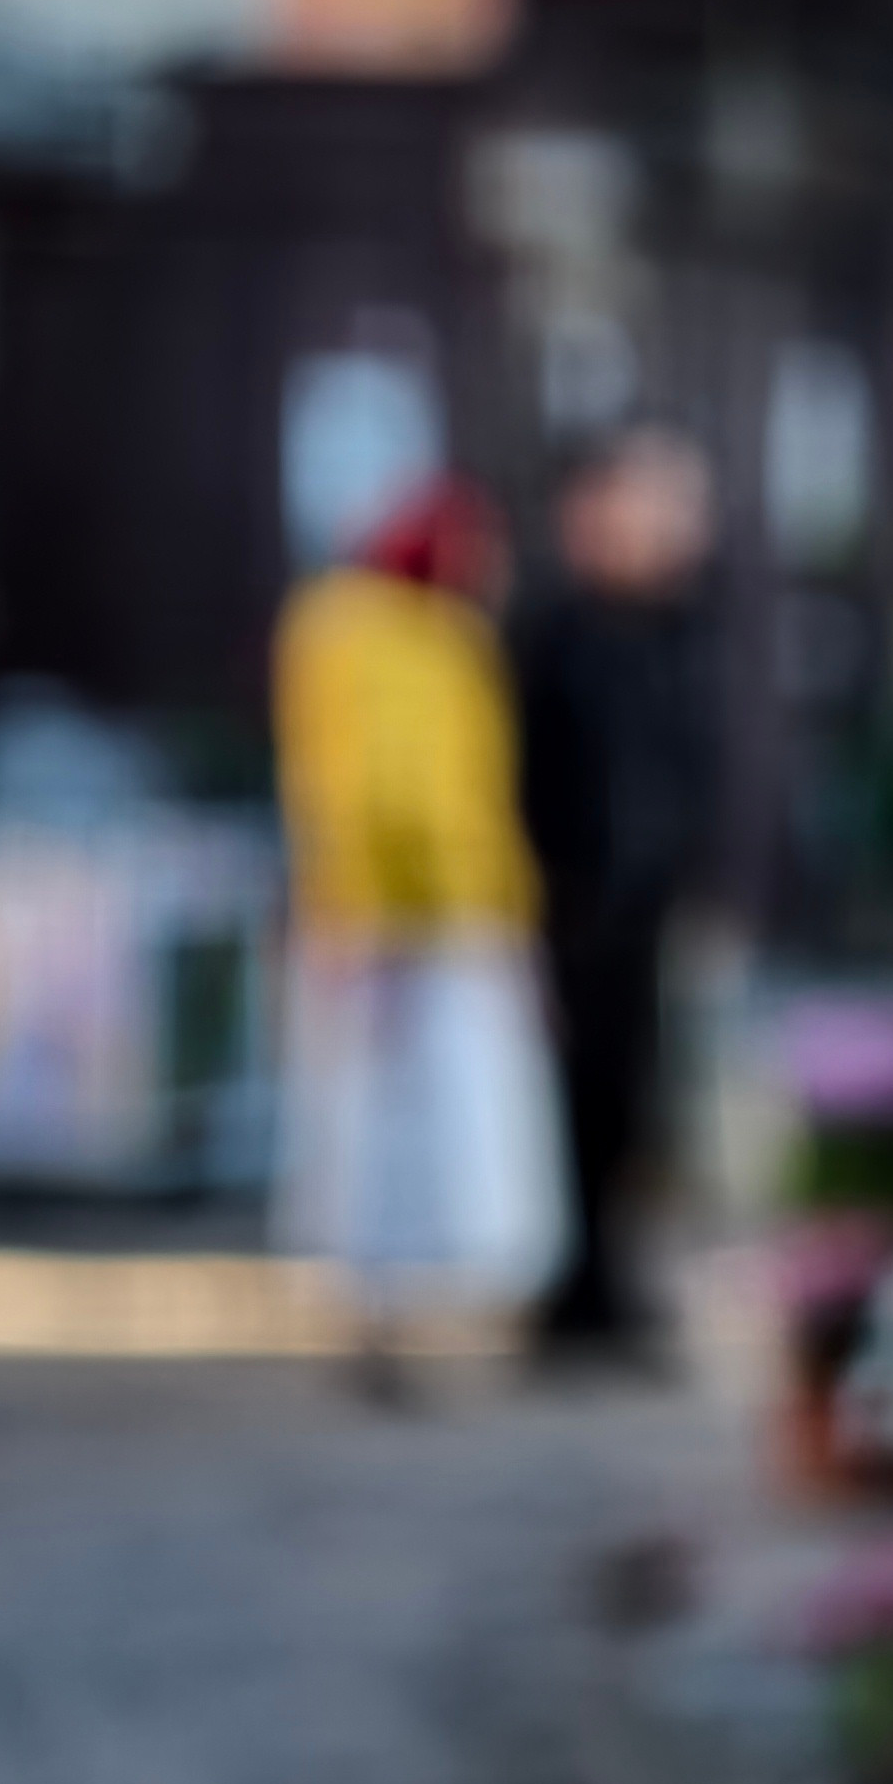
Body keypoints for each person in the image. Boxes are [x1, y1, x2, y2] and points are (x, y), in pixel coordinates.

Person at [273, 475, 567, 1376]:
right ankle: (375, 1303)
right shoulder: (358, 631)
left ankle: (418, 1297)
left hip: (446, 914)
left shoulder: (445, 635)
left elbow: (470, 789)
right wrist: (368, 900)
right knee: (376, 1122)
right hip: (393, 921)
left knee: (436, 1122)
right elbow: (362, 788)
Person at [514, 425, 717, 1355]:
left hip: (642, 907)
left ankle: (610, 1280)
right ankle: (569, 1284)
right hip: (571, 906)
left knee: (633, 1103)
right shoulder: (555, 637)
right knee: (572, 1102)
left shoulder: (672, 631)